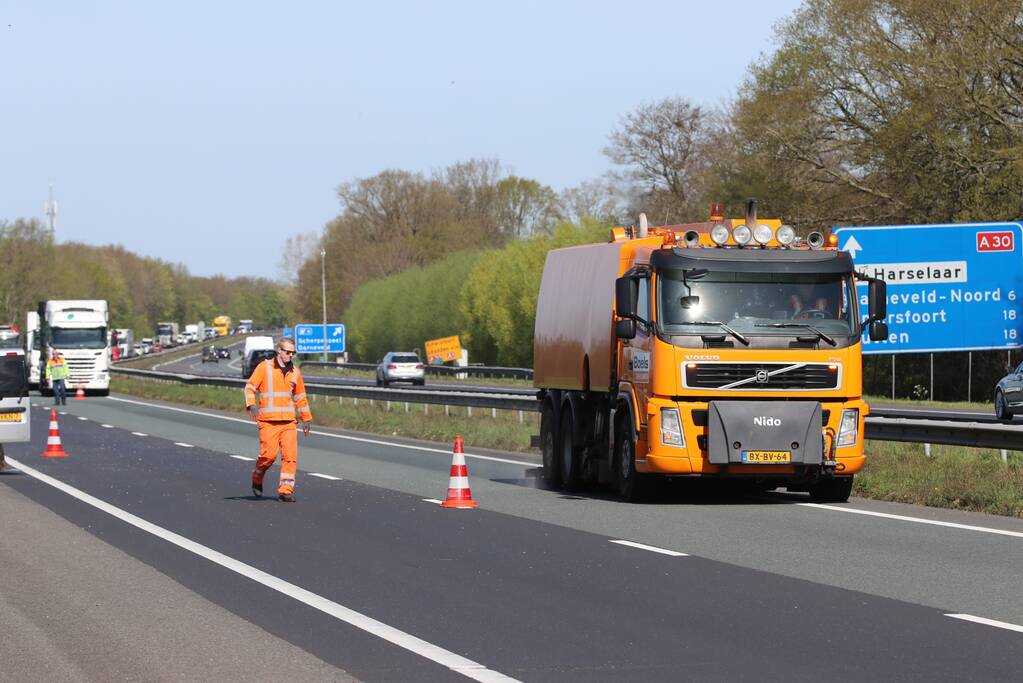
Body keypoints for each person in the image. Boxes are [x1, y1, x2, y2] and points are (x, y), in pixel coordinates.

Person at [244, 337, 312, 502]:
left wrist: (306, 418)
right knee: (268, 456)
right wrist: (251, 405)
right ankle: (257, 476)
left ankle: (285, 490)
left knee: (290, 456)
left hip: (288, 422)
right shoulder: (265, 367)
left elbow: (300, 397)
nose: (290, 355)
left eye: (293, 353)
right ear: (279, 351)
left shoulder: (295, 372)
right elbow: (250, 387)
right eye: (288, 352)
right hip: (268, 422)